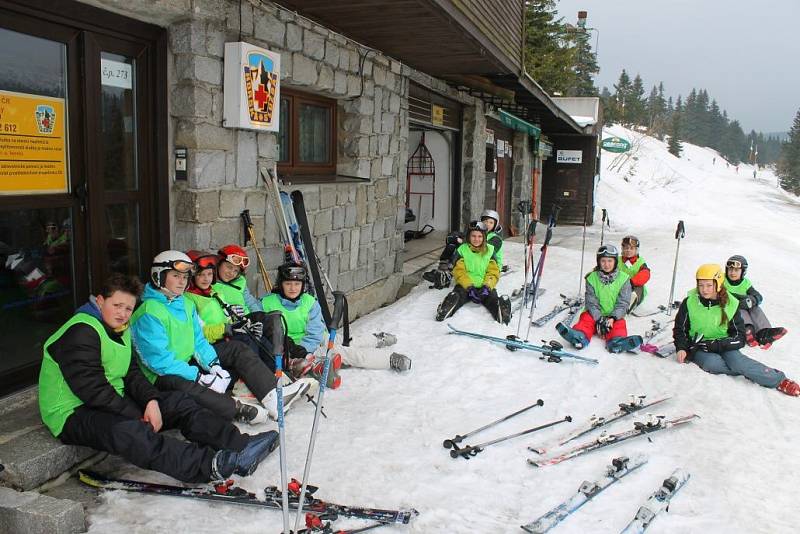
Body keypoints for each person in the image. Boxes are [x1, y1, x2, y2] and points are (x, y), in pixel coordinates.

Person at [38, 273, 280, 482]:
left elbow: (131, 374)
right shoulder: (81, 332)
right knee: (130, 431)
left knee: (179, 402)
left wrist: (151, 401)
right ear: (100, 301)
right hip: (72, 413)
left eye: (128, 308)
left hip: (111, 399)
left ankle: (240, 445)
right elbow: (92, 391)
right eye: (117, 305)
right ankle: (209, 465)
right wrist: (136, 415)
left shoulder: (119, 329)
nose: (123, 314)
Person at [130, 250, 315, 424]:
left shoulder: (184, 303)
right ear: (159, 276)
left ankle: (274, 397)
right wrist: (199, 377)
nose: (181, 282)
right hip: (163, 374)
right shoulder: (149, 312)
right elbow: (159, 362)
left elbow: (198, 340)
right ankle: (237, 409)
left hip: (188, 361)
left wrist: (213, 365)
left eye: (185, 277)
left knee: (237, 348)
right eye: (175, 276)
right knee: (185, 385)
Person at [261, 263, 412, 386]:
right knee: (347, 352)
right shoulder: (267, 303)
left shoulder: (309, 302)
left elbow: (315, 333)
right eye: (288, 284)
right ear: (280, 284)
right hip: (291, 348)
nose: (293, 288)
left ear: (302, 285)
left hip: (315, 341)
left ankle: (382, 347)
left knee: (349, 345)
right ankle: (384, 354)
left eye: (296, 284)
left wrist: (304, 353)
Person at [673, 264, 799, 396]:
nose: (704, 290)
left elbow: (739, 337)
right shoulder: (689, 302)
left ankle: (778, 379)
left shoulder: (729, 304)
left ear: (718, 284)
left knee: (738, 362)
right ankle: (756, 372)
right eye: (701, 285)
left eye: (709, 285)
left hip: (724, 344)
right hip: (699, 346)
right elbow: (680, 329)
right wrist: (681, 347)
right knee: (712, 364)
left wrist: (717, 344)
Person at [556, 244, 641, 353]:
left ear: (615, 262)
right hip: (594, 313)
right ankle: (579, 337)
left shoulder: (624, 279)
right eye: (603, 261)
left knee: (619, 324)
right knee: (586, 320)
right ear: (598, 262)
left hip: (613, 315)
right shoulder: (591, 278)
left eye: (610, 261)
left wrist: (612, 318)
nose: (606, 264)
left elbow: (623, 303)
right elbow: (591, 302)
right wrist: (599, 319)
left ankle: (617, 342)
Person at [434, 220, 510, 324]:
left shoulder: (490, 250)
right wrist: (469, 287)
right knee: (459, 295)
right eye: (473, 236)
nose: (476, 239)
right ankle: (447, 307)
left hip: (484, 286)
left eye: (480, 236)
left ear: (484, 238)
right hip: (466, 286)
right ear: (469, 236)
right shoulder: (462, 250)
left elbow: (493, 272)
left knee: (492, 299)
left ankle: (501, 311)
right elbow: (459, 272)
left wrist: (487, 287)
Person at [723, 255, 787, 349]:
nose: (732, 273)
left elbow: (758, 296)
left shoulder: (745, 283)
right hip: (729, 311)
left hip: (743, 306)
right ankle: (747, 330)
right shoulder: (722, 280)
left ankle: (764, 332)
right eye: (730, 269)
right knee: (740, 308)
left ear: (743, 272)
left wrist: (752, 300)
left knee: (755, 308)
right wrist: (741, 298)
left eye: (736, 270)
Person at [618, 235, 651, 312]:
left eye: (631, 248)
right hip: (619, 286)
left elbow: (645, 274)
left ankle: (626, 307)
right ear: (622, 249)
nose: (628, 250)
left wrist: (631, 282)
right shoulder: (617, 260)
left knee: (634, 294)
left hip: (635, 286)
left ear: (636, 250)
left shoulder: (640, 262)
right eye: (626, 248)